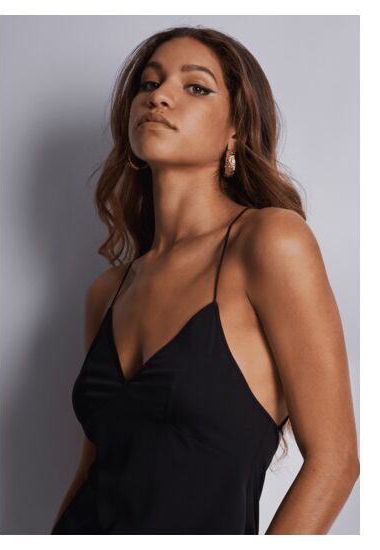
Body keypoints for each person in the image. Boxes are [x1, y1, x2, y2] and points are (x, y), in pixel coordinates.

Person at [50, 26, 359, 535]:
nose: (158, 97)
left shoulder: (269, 242)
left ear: (235, 131)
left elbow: (336, 461)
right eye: (149, 84)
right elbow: (94, 467)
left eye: (196, 86)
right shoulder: (107, 292)